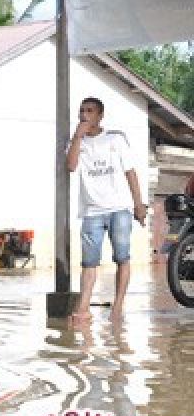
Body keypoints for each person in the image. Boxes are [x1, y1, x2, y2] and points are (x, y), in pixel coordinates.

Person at [66, 96, 148, 323]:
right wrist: (77, 136)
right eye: (81, 111)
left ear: (100, 116)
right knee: (88, 263)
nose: (84, 115)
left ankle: (117, 307)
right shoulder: (76, 142)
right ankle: (83, 310)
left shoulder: (115, 139)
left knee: (122, 257)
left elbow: (130, 172)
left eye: (90, 111)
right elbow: (71, 166)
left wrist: (138, 204)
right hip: (91, 211)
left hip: (119, 208)